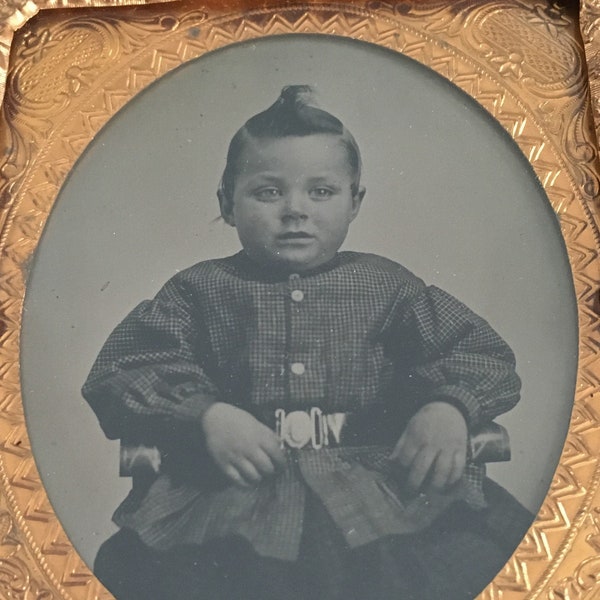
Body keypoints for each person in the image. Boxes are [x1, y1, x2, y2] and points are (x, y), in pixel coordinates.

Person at [83, 85, 533, 600]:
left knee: (438, 565)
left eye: (321, 192)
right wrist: (206, 415)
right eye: (268, 192)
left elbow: (478, 353)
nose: (295, 210)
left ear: (354, 202)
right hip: (236, 494)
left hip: (374, 488)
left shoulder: (388, 287)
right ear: (227, 203)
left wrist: (449, 408)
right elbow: (127, 368)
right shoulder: (199, 290)